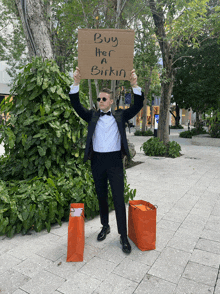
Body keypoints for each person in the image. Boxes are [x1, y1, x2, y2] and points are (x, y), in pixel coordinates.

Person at [69, 67, 144, 254]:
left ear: (110, 101)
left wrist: (134, 84)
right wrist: (76, 83)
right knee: (101, 195)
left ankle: (123, 236)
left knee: (119, 199)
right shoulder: (92, 115)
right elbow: (76, 105)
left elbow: (137, 105)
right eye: (99, 99)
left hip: (115, 161)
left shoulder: (119, 115)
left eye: (104, 99)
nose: (100, 101)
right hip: (97, 161)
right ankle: (105, 226)